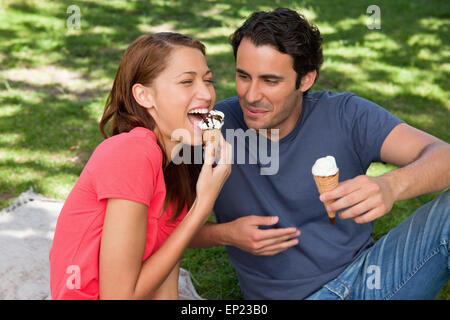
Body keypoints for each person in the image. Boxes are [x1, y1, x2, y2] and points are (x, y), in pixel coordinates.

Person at [190, 8, 450, 299]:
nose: (251, 95)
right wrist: (225, 234)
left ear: (306, 80)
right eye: (243, 76)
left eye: (270, 81)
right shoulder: (212, 128)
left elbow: (444, 157)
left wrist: (391, 186)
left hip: (371, 278)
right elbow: (153, 228)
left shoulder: (346, 114)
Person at [49, 32, 231, 299]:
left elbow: (166, 271)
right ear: (144, 96)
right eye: (186, 82)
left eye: (208, 80)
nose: (206, 93)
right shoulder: (132, 153)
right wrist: (201, 208)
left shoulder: (177, 164)